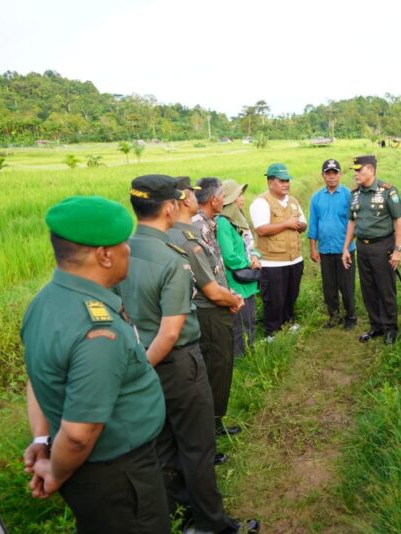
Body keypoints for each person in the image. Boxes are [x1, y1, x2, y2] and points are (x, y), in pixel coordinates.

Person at [21, 195, 170, 533]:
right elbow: (77, 435)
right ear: (104, 255)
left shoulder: (45, 302)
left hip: (96, 473)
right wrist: (55, 472)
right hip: (119, 477)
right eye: (124, 245)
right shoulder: (97, 332)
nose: (129, 251)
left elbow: (37, 379)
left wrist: (42, 441)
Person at [119, 175, 242, 532]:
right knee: (197, 447)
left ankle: (177, 510)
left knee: (163, 443)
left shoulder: (123, 250)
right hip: (177, 363)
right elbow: (171, 331)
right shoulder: (171, 257)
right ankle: (211, 524)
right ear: (170, 206)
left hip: (142, 355)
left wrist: (139, 367)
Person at [169, 177, 244, 440]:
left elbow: (214, 269)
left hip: (218, 302)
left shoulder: (206, 223)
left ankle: (214, 424)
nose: (226, 199)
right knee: (215, 368)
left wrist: (229, 294)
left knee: (220, 368)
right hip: (208, 309)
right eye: (224, 194)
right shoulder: (193, 229)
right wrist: (229, 299)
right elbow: (205, 283)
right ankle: (207, 429)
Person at [342, 154, 401, 345]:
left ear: (371, 170)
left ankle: (390, 328)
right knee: (368, 288)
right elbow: (352, 222)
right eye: (354, 170)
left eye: (359, 170)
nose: (355, 174)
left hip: (382, 246)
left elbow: (399, 220)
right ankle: (375, 326)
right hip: (362, 246)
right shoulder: (355, 194)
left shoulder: (387, 191)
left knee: (385, 288)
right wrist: (346, 248)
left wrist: (398, 250)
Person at [249, 162, 307, 337]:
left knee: (291, 295)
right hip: (272, 262)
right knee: (274, 299)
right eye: (281, 181)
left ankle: (288, 324)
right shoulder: (261, 202)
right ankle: (272, 333)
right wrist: (287, 224)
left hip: (295, 259)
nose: (286, 184)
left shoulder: (293, 201)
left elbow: (303, 224)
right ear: (270, 182)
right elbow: (261, 229)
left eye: (287, 180)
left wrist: (298, 225)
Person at [308, 159, 357, 329]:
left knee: (347, 285)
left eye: (334, 173)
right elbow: (313, 224)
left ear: (340, 174)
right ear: (323, 175)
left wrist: (348, 245)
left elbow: (355, 223)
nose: (331, 177)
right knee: (329, 287)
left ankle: (351, 317)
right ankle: (334, 317)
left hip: (345, 250)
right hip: (325, 250)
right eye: (328, 173)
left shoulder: (349, 195)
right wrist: (313, 248)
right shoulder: (316, 198)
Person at [216, 179, 261, 353]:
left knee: (250, 319)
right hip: (236, 282)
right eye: (238, 195)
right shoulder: (223, 223)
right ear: (229, 200)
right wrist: (249, 262)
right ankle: (241, 359)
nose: (242, 198)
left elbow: (249, 244)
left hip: (246, 281)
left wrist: (255, 256)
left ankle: (251, 351)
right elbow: (229, 257)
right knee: (239, 324)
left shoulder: (238, 219)